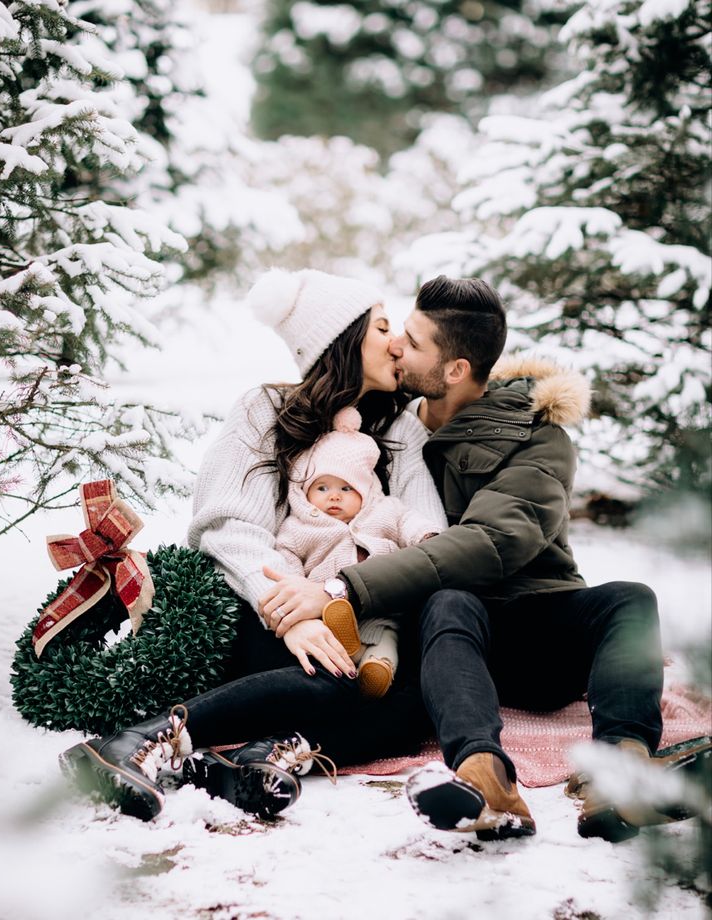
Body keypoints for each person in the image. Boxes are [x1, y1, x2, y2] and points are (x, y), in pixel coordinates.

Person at [261, 274, 707, 843]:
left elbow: (495, 541)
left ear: (455, 370)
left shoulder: (537, 437)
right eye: (399, 329)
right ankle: (486, 781)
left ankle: (621, 772)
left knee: (630, 599)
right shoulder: (389, 426)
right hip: (452, 639)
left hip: (537, 632)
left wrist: (344, 588)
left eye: (414, 341)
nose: (396, 344)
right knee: (449, 603)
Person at [59, 267, 447, 822]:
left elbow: (428, 533)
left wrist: (345, 598)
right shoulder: (265, 409)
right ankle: (133, 742)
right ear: (341, 339)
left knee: (413, 704)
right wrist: (292, 611)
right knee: (336, 681)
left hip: (355, 619)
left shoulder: (401, 428)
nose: (398, 341)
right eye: (383, 326)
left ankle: (248, 762)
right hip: (256, 612)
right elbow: (227, 526)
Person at [275, 405, 444, 697]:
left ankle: (376, 672)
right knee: (329, 640)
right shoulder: (300, 528)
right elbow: (286, 558)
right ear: (305, 492)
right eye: (322, 488)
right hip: (325, 613)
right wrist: (294, 590)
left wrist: (426, 535)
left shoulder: (384, 511)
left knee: (386, 639)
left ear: (365, 490)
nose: (334, 496)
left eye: (346, 488)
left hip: (382, 607)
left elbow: (408, 522)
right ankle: (348, 649)